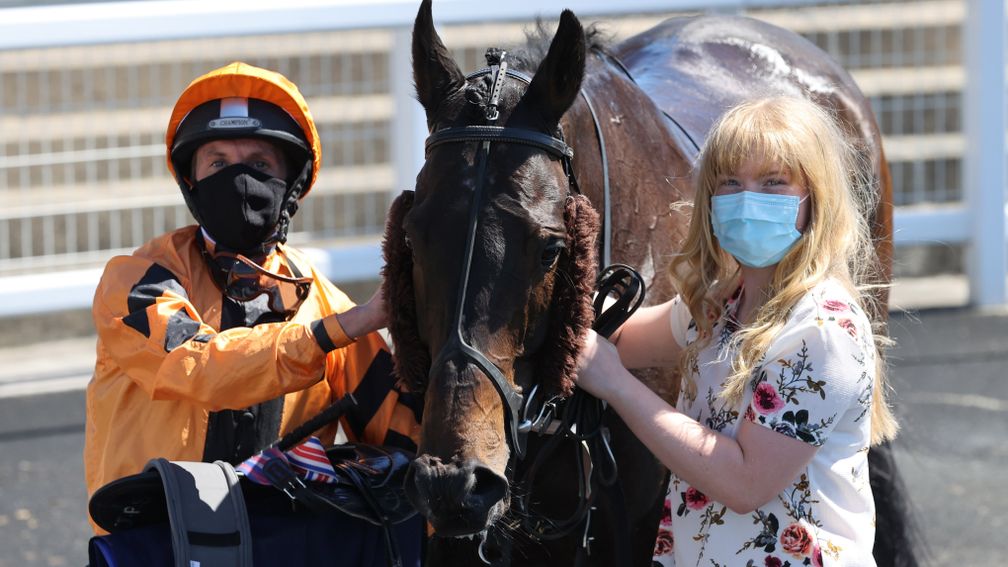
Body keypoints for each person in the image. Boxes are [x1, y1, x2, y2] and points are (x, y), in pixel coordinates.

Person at [84, 62, 420, 533]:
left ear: (292, 183)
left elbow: (410, 439)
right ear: (192, 181)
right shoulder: (137, 281)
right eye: (218, 163)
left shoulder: (327, 304)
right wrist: (335, 332)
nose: (239, 179)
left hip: (284, 549)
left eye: (259, 164)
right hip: (152, 545)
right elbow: (196, 366)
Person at [575, 96, 899, 566]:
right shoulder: (720, 304)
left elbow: (744, 482)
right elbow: (620, 339)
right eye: (730, 182)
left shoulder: (824, 328)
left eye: (773, 182)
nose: (748, 199)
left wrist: (617, 387)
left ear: (815, 199)